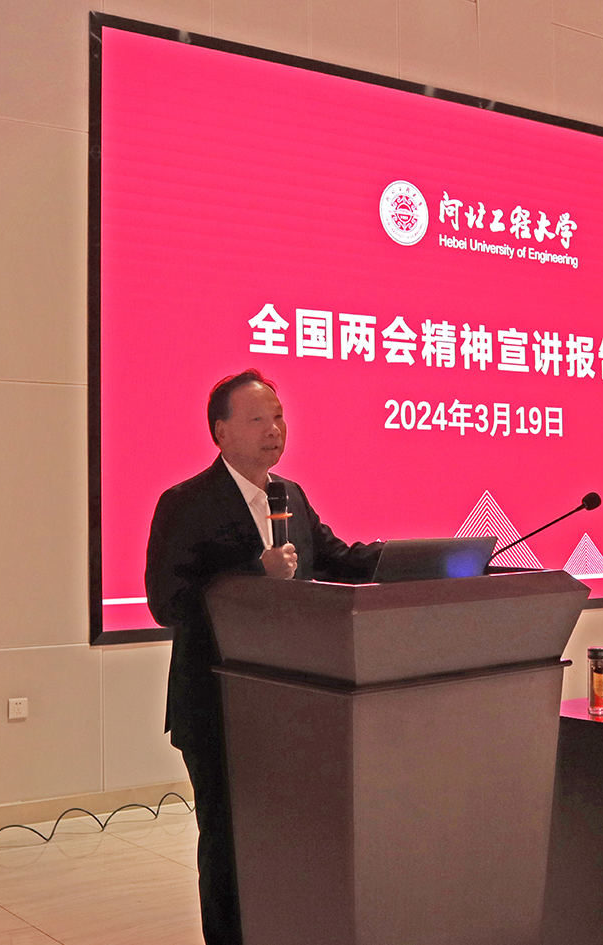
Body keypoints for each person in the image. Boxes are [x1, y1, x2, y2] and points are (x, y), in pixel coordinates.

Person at [144, 370, 381, 945]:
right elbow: (166, 602)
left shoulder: (290, 495)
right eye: (257, 419)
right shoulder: (185, 503)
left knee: (285, 837)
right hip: (216, 704)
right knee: (226, 842)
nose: (274, 429)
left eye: (278, 417)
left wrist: (411, 559)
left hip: (288, 705)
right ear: (221, 431)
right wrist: (256, 572)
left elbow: (335, 558)